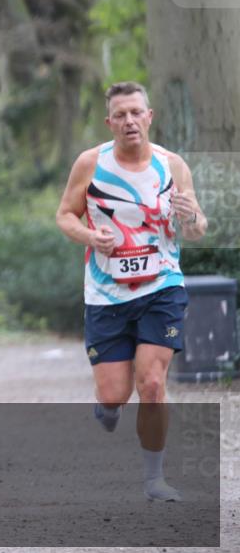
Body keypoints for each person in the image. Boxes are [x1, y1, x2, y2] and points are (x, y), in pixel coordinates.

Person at [56, 81, 207, 502]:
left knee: (153, 384)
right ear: (110, 123)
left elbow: (197, 228)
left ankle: (154, 480)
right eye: (120, 115)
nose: (129, 121)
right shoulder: (90, 164)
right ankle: (106, 407)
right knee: (114, 394)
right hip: (107, 295)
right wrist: (90, 236)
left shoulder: (172, 165)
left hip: (162, 286)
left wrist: (191, 215)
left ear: (149, 116)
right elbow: (64, 215)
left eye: (136, 112)